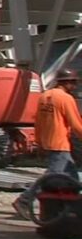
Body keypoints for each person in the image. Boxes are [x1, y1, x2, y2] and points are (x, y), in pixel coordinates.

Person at [13, 68, 82, 219]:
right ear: (67, 83)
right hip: (60, 143)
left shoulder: (45, 96)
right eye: (74, 83)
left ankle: (71, 208)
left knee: (72, 179)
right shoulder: (65, 99)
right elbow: (76, 124)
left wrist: (39, 142)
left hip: (48, 142)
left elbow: (38, 122)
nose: (75, 87)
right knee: (51, 177)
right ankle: (24, 200)